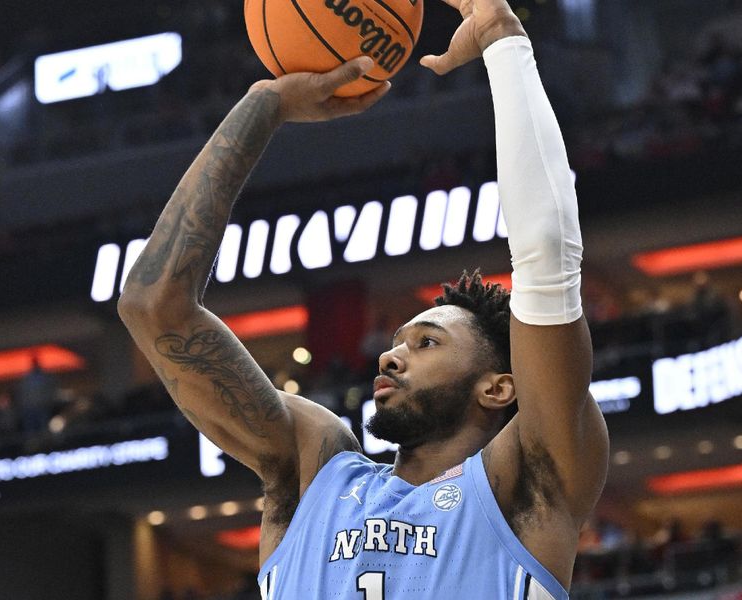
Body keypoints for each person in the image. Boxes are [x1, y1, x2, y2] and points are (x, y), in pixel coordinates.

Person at [117, 0, 609, 597]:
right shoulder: (312, 471)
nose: (389, 356)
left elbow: (547, 257)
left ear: (499, 386)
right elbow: (152, 303)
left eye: (427, 341)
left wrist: (504, 41)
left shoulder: (527, 480)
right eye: (399, 341)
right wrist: (262, 107)